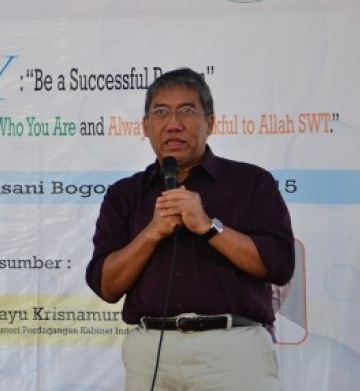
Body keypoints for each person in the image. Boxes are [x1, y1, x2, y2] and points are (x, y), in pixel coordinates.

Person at [85, 67, 295, 391]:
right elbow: (106, 286)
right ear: (145, 126)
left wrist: (208, 226)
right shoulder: (125, 195)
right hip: (151, 352)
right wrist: (151, 234)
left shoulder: (252, 183)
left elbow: (279, 265)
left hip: (233, 350)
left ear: (209, 123)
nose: (173, 124)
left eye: (186, 110)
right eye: (160, 112)